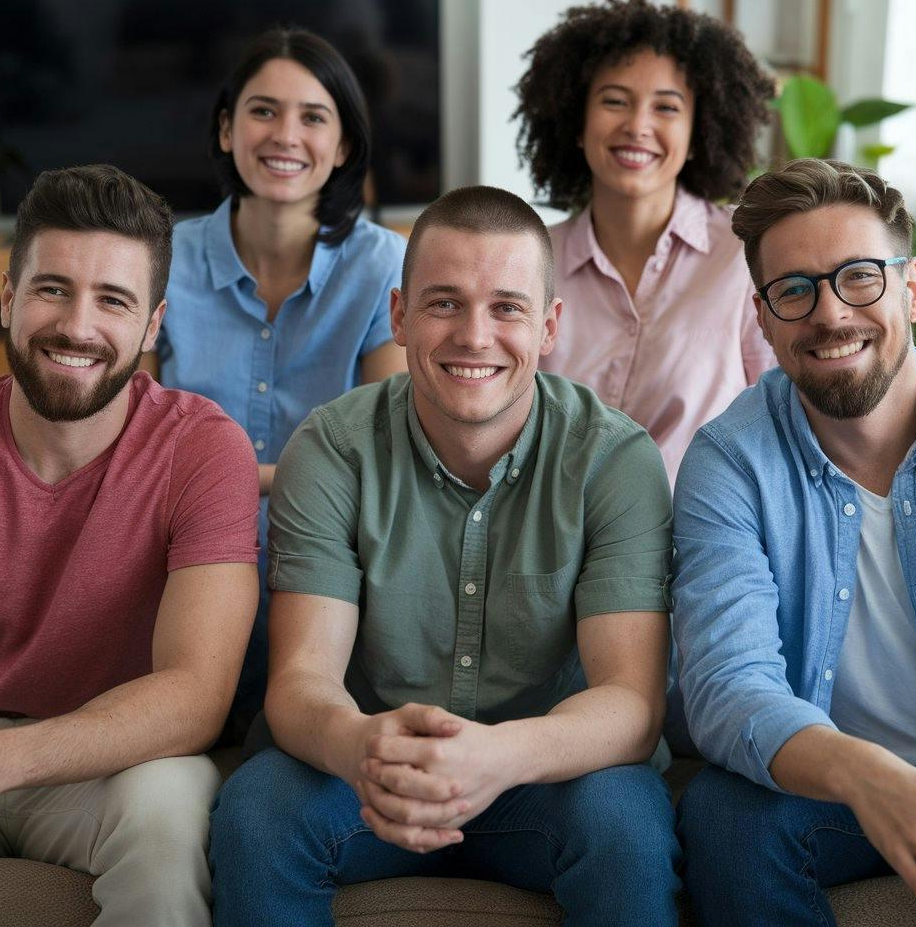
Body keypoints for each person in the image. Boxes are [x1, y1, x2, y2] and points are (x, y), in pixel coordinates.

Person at [209, 186, 681, 926]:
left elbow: (630, 704)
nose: (475, 335)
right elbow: (302, 680)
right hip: (367, 767)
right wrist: (360, 741)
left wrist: (497, 758)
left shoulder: (613, 458)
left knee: (624, 827)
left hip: (547, 775)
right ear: (398, 315)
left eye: (507, 307)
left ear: (550, 325)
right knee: (257, 811)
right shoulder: (332, 448)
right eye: (444, 304)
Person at [0, 165, 259, 927]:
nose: (78, 326)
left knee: (168, 819)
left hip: (116, 755)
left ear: (152, 326)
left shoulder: (205, 450)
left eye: (113, 300)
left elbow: (195, 698)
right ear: (10, 299)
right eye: (52, 289)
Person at [673, 158, 916, 925]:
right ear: (763, 319)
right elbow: (729, 687)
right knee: (727, 815)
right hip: (831, 777)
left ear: (914, 287)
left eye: (860, 277)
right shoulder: (730, 460)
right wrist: (866, 773)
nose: (830, 315)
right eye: (794, 290)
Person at [156, 27, 407, 732]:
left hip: (331, 571)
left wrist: (220, 475)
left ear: (345, 146)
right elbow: (125, 437)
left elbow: (378, 455)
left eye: (313, 117)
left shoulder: (387, 268)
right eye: (263, 111)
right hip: (176, 565)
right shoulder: (160, 257)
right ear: (227, 126)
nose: (285, 135)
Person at [515, 0, 776, 484]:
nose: (637, 126)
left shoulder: (748, 252)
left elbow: (781, 420)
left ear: (700, 131)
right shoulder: (528, 259)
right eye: (614, 101)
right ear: (576, 122)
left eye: (666, 107)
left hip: (699, 545)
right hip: (556, 541)